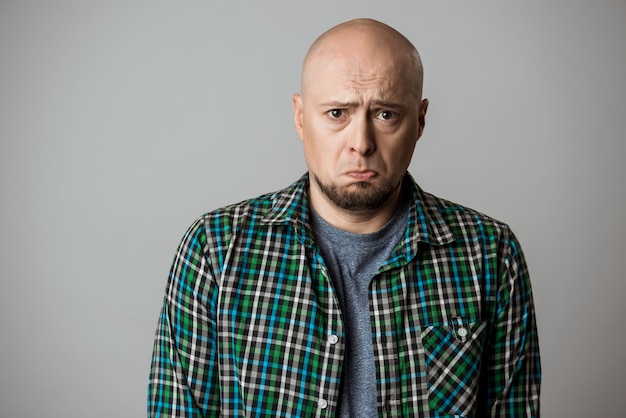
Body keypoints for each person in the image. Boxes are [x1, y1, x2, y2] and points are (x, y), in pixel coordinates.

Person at [148, 18, 541, 417]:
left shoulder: (489, 254)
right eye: (337, 113)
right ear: (300, 117)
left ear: (420, 120)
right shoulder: (216, 250)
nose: (361, 144)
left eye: (386, 115)